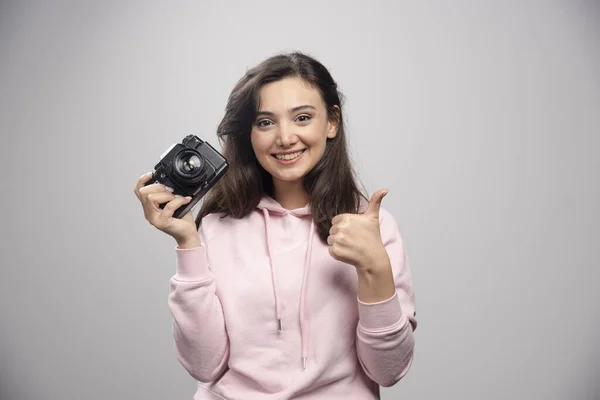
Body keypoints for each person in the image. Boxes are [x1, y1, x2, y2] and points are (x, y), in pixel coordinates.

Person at [133, 51, 417, 400]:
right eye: (265, 122)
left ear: (331, 122)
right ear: (248, 134)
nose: (285, 138)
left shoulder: (370, 228)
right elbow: (204, 365)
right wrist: (187, 243)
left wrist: (374, 266)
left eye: (302, 117)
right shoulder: (216, 227)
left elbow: (388, 371)